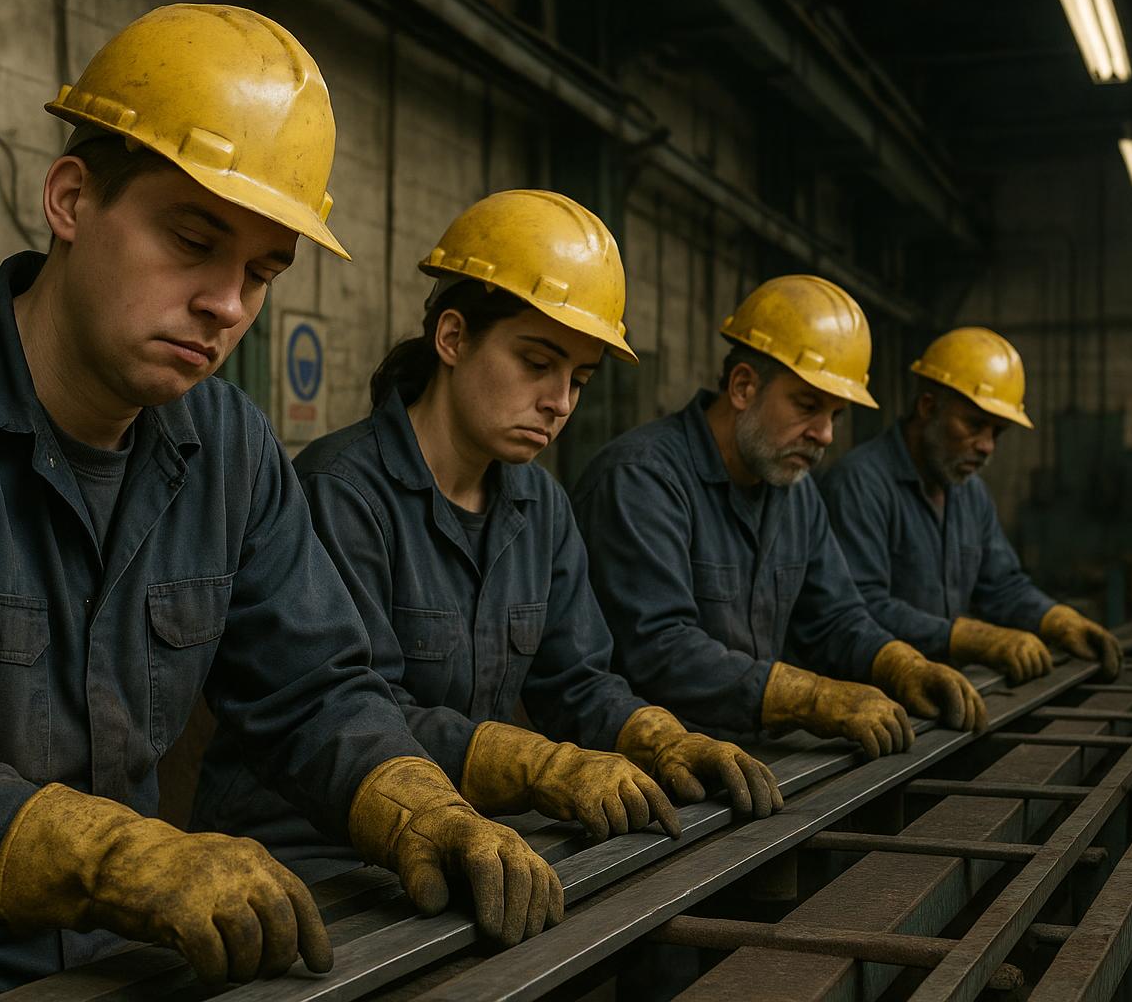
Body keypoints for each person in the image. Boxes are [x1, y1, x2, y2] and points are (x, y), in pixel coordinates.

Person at [0, 5, 560, 1001]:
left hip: (109, 945)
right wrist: (120, 856)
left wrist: (422, 807)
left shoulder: (233, 451)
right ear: (72, 198)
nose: (228, 304)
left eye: (259, 272)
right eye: (193, 241)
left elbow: (316, 691)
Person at [195, 190, 782, 879]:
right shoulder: (342, 491)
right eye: (537, 363)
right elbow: (359, 709)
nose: (560, 401)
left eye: (578, 378)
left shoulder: (542, 507)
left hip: (467, 835)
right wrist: (538, 763)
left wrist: (659, 737)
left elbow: (578, 681)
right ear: (452, 338)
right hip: (310, 852)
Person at [574, 275, 988, 759]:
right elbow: (660, 650)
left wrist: (898, 662)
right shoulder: (641, 479)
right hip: (653, 769)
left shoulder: (795, 490)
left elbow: (834, 616)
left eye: (836, 415)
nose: (825, 435)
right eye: (808, 406)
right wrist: (810, 697)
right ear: (744, 386)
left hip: (755, 763)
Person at [821, 326, 1123, 685]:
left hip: (945, 689)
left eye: (997, 432)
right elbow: (859, 607)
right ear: (928, 406)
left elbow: (1002, 585)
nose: (987, 446)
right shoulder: (859, 484)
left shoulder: (970, 493)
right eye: (975, 424)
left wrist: (1056, 619)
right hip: (874, 693)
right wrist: (968, 638)